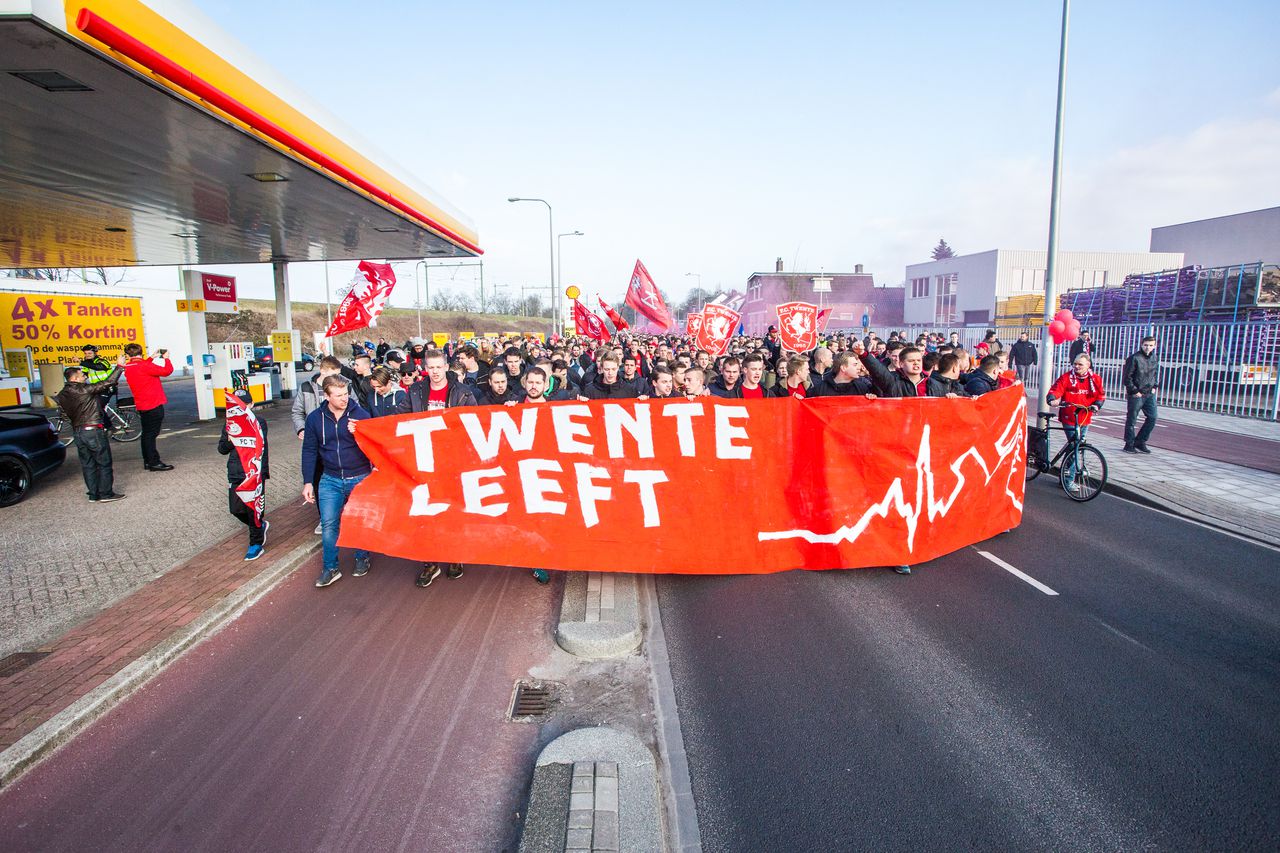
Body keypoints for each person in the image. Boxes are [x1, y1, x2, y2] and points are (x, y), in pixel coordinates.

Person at [407, 350, 476, 587]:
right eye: (431, 368)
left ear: (446, 366)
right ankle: (431, 562)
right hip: (425, 461)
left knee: (454, 512)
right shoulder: (415, 391)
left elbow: (475, 425)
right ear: (425, 368)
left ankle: (455, 556)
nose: (435, 372)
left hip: (454, 462)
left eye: (439, 367)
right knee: (427, 513)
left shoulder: (463, 392)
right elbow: (398, 421)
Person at [302, 375, 373, 587]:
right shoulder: (315, 418)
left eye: (345, 394)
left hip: (359, 476)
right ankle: (330, 567)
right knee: (329, 524)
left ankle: (362, 557)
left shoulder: (360, 414)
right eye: (338, 395)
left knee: (359, 520)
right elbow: (309, 450)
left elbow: (373, 445)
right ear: (327, 396)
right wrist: (307, 482)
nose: (344, 399)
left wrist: (360, 432)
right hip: (330, 478)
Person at [55, 355, 129, 503]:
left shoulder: (62, 394)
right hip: (93, 430)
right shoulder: (83, 389)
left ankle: (93, 494)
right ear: (74, 379)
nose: (85, 376)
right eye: (82, 375)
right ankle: (106, 494)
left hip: (78, 432)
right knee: (104, 462)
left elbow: (64, 415)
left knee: (88, 464)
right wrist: (120, 367)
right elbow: (108, 382)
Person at [293, 356, 346, 535]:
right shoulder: (306, 387)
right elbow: (297, 411)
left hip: (336, 442)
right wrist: (301, 428)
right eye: (334, 374)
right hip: (315, 442)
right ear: (323, 371)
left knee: (338, 479)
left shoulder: (344, 386)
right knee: (317, 480)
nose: (337, 378)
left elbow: (353, 407)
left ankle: (341, 515)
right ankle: (324, 519)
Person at [219, 389, 270, 560]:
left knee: (253, 510)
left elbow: (258, 442)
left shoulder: (259, 422)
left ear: (251, 405)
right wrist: (230, 440)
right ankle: (260, 527)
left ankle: (255, 543)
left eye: (244, 405)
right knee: (236, 509)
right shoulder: (228, 425)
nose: (240, 409)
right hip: (235, 472)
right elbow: (221, 449)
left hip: (254, 473)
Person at [1046, 354, 1105, 492]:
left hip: (1085, 417)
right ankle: (1068, 479)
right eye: (1075, 364)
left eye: (1080, 364)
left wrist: (1097, 405)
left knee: (1077, 447)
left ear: (1088, 365)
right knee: (1075, 447)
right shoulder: (1067, 377)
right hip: (1069, 417)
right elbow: (1056, 389)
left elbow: (1100, 395)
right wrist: (1052, 398)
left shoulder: (1095, 379)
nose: (1077, 367)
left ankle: (1064, 474)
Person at [122, 343, 174, 471]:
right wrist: (166, 358)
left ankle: (147, 460)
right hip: (153, 403)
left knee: (146, 434)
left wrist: (151, 358)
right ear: (141, 352)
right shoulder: (145, 365)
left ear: (128, 355)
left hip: (141, 404)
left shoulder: (128, 366)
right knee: (151, 435)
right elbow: (167, 371)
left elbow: (142, 366)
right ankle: (153, 462)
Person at [1122, 336, 1159, 454]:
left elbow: (1155, 373)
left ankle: (1140, 441)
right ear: (1141, 345)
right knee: (1132, 419)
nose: (1148, 347)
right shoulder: (1134, 358)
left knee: (1152, 418)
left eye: (1151, 345)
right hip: (1136, 394)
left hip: (1149, 394)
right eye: (1146, 345)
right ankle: (1129, 444)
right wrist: (1133, 391)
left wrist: (1154, 386)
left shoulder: (1154, 358)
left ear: (1155, 346)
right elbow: (1127, 377)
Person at [855, 341, 927, 398]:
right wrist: (863, 353)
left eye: (919, 360)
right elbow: (877, 370)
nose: (916, 363)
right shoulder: (893, 380)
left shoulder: (931, 383)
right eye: (911, 361)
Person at [810, 351, 875, 397]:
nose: (859, 368)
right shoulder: (819, 390)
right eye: (855, 365)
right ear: (843, 368)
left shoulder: (862, 388)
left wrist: (871, 398)